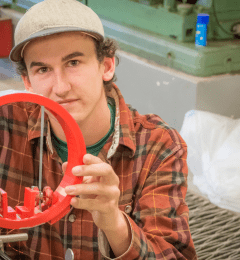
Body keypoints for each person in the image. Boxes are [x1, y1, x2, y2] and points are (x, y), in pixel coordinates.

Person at [0, 0, 197, 259]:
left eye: (73, 63)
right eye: (43, 69)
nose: (60, 87)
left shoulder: (158, 145)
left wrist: (114, 222)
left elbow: (174, 255)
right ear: (27, 81)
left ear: (106, 66)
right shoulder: (7, 122)